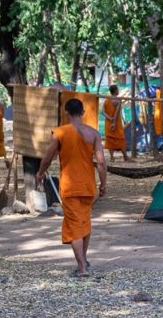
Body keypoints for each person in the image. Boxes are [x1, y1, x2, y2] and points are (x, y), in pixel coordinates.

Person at [36, 99, 108, 277]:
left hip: (70, 186)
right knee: (84, 223)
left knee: (75, 226)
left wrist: (40, 173)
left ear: (66, 112)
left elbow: (47, 157)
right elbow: (101, 162)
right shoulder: (94, 134)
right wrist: (103, 184)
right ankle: (83, 260)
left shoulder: (60, 133)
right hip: (88, 185)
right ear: (83, 113)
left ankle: (82, 268)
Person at [102, 85, 132, 163]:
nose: (118, 91)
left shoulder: (107, 100)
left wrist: (109, 118)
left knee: (110, 139)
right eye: (118, 89)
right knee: (120, 138)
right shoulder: (118, 100)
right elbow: (117, 112)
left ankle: (112, 158)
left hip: (108, 122)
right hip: (116, 123)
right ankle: (125, 157)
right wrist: (114, 122)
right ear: (115, 90)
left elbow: (103, 112)